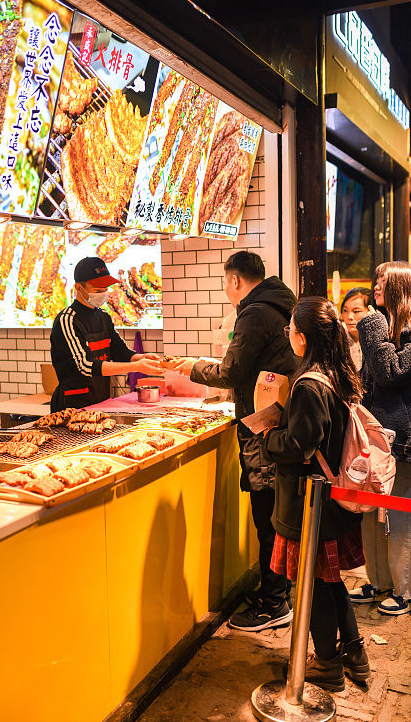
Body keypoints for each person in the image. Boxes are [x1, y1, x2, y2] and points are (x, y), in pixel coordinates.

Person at [174, 251, 298, 630]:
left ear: (234, 280)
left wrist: (194, 367)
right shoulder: (282, 303)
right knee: (275, 513)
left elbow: (231, 372)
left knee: (267, 515)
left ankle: (274, 605)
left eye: (225, 283)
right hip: (280, 421)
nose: (226, 290)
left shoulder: (254, 312)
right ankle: (278, 591)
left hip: (263, 428)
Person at [263, 296, 369, 691]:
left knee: (316, 587)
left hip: (311, 503)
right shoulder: (337, 372)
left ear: (303, 338)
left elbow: (299, 446)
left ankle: (326, 663)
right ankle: (355, 653)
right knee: (330, 581)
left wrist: (268, 436)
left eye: (290, 329)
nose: (288, 334)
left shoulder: (309, 384)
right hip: (333, 499)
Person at [348, 261, 411, 615]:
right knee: (371, 512)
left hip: (402, 441)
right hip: (374, 439)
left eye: (384, 280)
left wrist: (370, 325)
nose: (376, 285)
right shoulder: (386, 328)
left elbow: (389, 372)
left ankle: (405, 590)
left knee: (400, 514)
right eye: (376, 279)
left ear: (401, 286)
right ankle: (379, 583)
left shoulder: (398, 330)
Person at [50, 257, 161, 411]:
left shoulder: (103, 317)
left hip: (101, 402)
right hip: (73, 405)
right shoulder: (67, 320)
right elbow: (85, 365)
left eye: (105, 289)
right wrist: (136, 366)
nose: (102, 293)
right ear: (78, 287)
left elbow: (121, 353)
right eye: (97, 290)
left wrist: (143, 358)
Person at [340, 287, 371, 371]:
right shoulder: (337, 337)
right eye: (345, 310)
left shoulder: (376, 338)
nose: (349, 317)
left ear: (370, 311)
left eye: (356, 311)